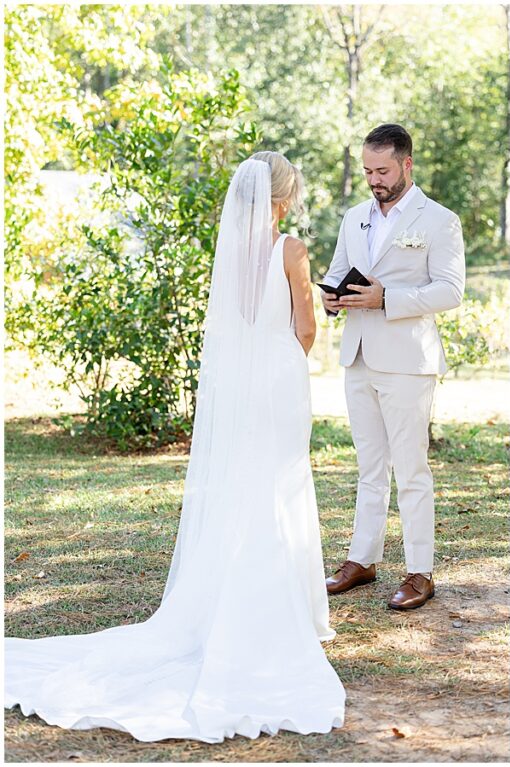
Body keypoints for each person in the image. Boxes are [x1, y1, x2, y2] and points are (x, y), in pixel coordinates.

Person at [5, 152, 346, 742]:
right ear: (284, 198)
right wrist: (293, 358)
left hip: (239, 383)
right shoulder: (289, 248)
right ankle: (286, 605)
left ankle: (219, 594)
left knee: (243, 481)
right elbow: (307, 327)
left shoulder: (229, 252)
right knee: (283, 480)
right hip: (276, 379)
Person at [320, 124, 465, 611]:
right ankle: (362, 560)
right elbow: (339, 271)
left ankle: (420, 571)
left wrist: (389, 298)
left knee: (411, 468)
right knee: (369, 466)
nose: (374, 180)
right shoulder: (354, 217)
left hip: (407, 360)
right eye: (367, 171)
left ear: (406, 164)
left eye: (382, 171)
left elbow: (451, 290)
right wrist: (332, 300)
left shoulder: (439, 220)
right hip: (358, 353)